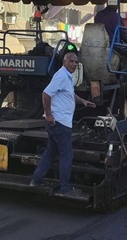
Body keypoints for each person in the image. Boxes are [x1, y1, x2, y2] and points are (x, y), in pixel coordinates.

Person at [30, 52, 96, 197]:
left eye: (76, 62)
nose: (74, 64)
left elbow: (69, 93)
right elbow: (46, 94)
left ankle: (36, 179)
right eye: (71, 61)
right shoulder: (61, 76)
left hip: (58, 122)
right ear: (64, 62)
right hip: (60, 122)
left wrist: (82, 101)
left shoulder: (66, 76)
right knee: (67, 155)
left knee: (51, 151)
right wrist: (49, 115)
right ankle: (65, 188)